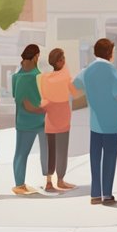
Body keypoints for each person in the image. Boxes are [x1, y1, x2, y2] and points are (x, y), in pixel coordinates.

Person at [73, 38, 117, 205]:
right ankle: (106, 194)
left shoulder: (88, 70)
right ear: (110, 53)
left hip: (95, 122)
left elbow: (74, 87)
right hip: (112, 122)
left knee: (95, 157)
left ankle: (95, 194)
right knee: (109, 157)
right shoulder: (111, 71)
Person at [40, 48, 79, 193]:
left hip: (50, 117)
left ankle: (49, 182)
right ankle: (60, 181)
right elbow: (75, 94)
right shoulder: (66, 78)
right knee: (62, 151)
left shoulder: (45, 78)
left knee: (50, 151)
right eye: (63, 58)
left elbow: (43, 96)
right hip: (62, 118)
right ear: (60, 61)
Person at [11, 44, 47, 196]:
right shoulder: (38, 76)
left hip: (23, 121)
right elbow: (43, 97)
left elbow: (15, 96)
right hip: (40, 119)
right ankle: (49, 181)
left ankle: (19, 184)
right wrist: (38, 108)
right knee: (46, 151)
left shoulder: (15, 77)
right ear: (35, 57)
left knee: (20, 153)